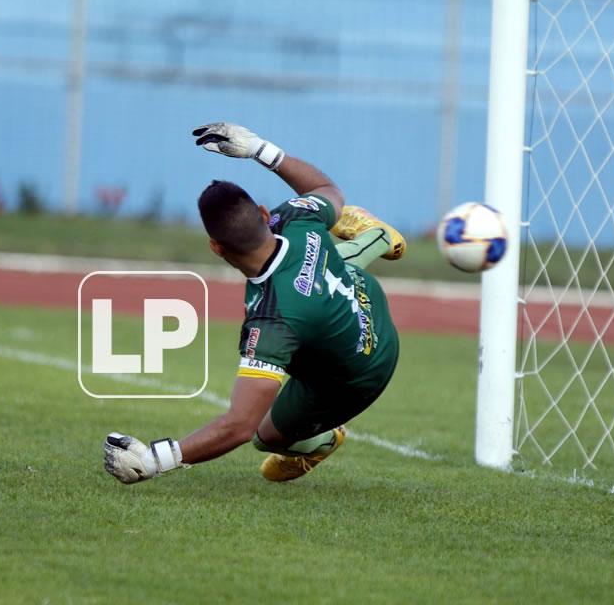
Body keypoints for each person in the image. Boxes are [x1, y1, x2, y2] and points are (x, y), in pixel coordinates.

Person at [103, 122, 405, 484]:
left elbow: (239, 426)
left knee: (266, 437)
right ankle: (376, 237)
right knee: (329, 258)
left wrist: (155, 460)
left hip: (360, 372)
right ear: (264, 214)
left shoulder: (272, 321)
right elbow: (327, 189)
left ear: (216, 248)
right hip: (363, 296)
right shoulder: (294, 217)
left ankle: (323, 441)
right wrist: (259, 149)